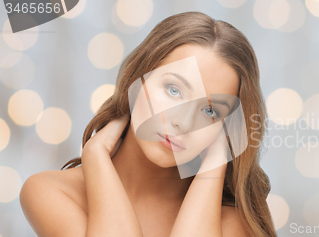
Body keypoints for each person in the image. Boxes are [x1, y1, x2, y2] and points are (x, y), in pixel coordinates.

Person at [19, 11, 276, 237]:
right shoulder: (51, 192)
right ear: (137, 80)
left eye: (209, 110)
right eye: (174, 90)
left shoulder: (235, 223)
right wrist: (95, 159)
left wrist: (216, 162)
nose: (183, 122)